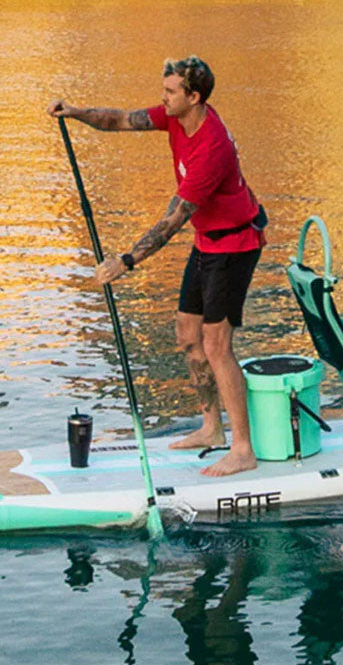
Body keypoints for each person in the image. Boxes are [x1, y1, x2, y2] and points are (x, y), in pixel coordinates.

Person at [47, 56, 264, 477]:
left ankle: (242, 448)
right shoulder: (176, 118)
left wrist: (124, 262)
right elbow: (119, 120)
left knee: (218, 346)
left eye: (170, 92)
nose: (162, 98)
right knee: (188, 336)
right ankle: (210, 428)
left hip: (234, 245)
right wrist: (75, 113)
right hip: (208, 240)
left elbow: (172, 222)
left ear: (193, 97)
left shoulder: (212, 148)